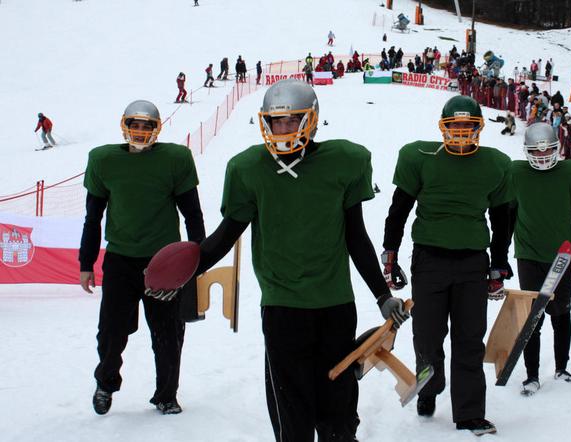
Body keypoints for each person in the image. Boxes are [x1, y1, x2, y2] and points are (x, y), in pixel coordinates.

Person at [149, 80, 408, 440]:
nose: (282, 129)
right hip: (282, 305)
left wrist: (383, 295)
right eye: (276, 122)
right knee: (292, 408)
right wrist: (183, 275)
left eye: (292, 121)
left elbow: (356, 237)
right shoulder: (248, 169)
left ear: (312, 120)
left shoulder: (344, 161)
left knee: (338, 403)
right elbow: (225, 236)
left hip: (334, 303)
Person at [381, 95, 512, 436]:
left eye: (467, 125)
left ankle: (469, 413)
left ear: (478, 127)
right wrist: (390, 251)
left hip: (472, 261)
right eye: (454, 125)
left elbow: (503, 219)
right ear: (443, 126)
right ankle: (428, 387)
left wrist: (498, 263)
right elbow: (399, 207)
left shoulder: (495, 163)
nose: (461, 132)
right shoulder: (420, 157)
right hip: (429, 259)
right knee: (427, 334)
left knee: (469, 339)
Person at [80, 100, 205, 416]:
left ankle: (166, 394)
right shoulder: (103, 160)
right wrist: (86, 263)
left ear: (156, 128)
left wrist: (198, 260)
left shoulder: (174, 159)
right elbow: (92, 217)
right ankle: (105, 384)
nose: (139, 131)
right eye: (134, 125)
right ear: (124, 126)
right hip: (121, 259)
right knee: (111, 331)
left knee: (168, 332)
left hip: (163, 262)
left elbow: (192, 213)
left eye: (146, 125)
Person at [509, 122, 571, 396]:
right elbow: (507, 216)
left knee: (561, 311)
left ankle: (562, 367)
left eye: (546, 150)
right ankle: (532, 375)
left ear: (556, 147)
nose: (541, 156)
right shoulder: (515, 173)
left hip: (562, 254)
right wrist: (498, 256)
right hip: (528, 253)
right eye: (535, 152)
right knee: (531, 319)